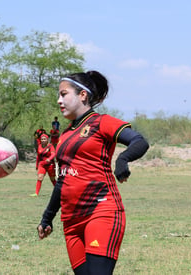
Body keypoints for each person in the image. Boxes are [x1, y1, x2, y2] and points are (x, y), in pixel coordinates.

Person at [36, 71, 149, 274]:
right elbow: (62, 181)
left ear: (83, 95)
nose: (59, 100)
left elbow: (139, 141)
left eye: (63, 94)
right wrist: (47, 217)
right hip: (71, 223)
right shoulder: (64, 135)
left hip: (101, 212)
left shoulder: (101, 122)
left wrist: (123, 159)